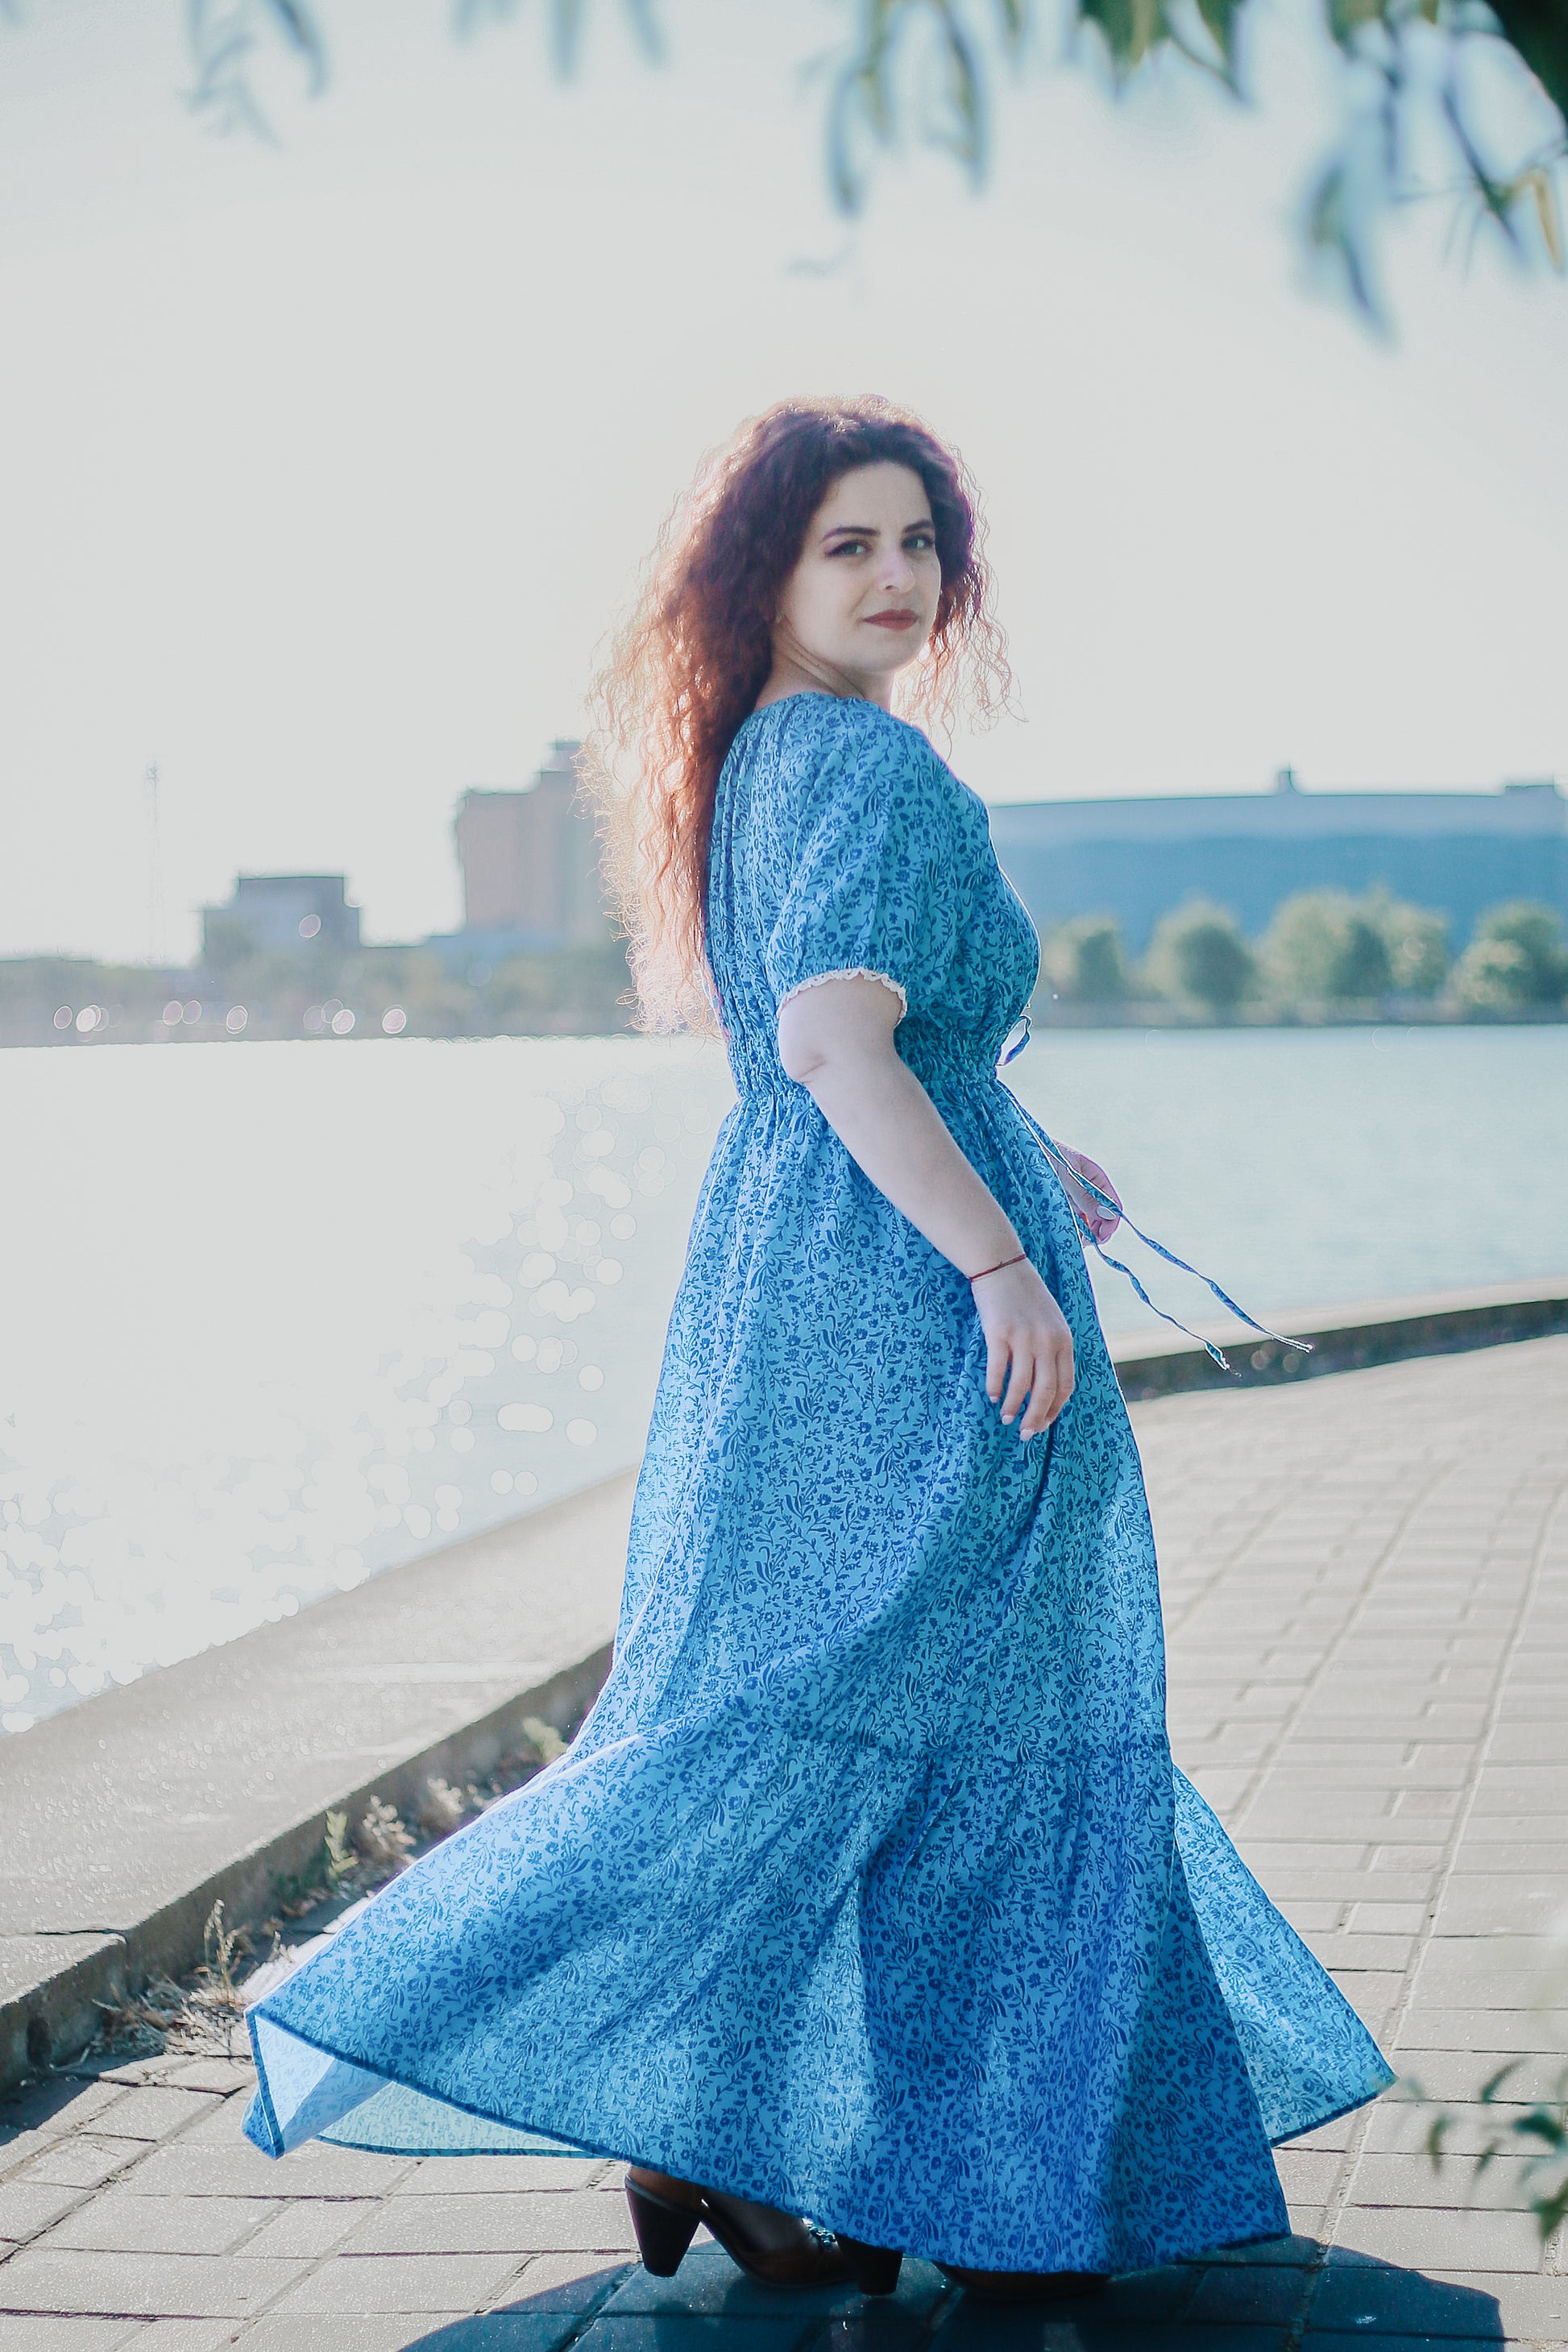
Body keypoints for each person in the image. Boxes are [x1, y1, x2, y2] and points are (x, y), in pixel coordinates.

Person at [242, 396, 1392, 2306]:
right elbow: (831, 1045)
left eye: (918, 542)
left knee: (822, 1703)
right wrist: (999, 1259)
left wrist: (1026, 1155)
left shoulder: (758, 759)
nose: (895, 575)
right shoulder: (861, 763)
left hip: (796, 1284)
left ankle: (730, 2133)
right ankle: (980, 2168)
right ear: (763, 570)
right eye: (846, 542)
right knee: (972, 1714)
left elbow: (864, 1050)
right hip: (903, 1314)